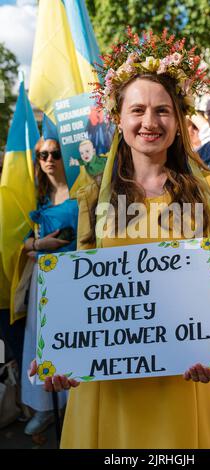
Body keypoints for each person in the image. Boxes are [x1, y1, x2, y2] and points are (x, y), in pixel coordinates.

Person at [30, 30, 210, 449]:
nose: (150, 122)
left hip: (183, 377)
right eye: (138, 110)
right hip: (109, 385)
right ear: (119, 118)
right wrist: (60, 355)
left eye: (163, 110)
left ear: (179, 120)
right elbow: (81, 295)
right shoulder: (92, 196)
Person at [21, 137, 78, 435]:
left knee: (71, 343)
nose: (49, 159)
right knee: (40, 344)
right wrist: (38, 244)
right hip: (43, 280)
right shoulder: (35, 195)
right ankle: (45, 408)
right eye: (43, 154)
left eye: (55, 153)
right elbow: (21, 240)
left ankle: (74, 409)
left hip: (74, 280)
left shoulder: (83, 192)